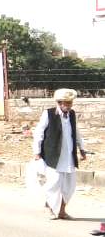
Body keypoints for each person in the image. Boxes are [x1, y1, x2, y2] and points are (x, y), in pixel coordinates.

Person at [33, 88, 87, 220]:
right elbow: (39, 132)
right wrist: (37, 152)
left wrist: (82, 148)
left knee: (69, 186)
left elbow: (76, 132)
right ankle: (49, 207)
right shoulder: (49, 114)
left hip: (68, 156)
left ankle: (62, 211)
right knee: (54, 183)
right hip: (54, 156)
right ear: (59, 102)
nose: (69, 105)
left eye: (70, 103)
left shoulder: (72, 114)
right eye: (66, 103)